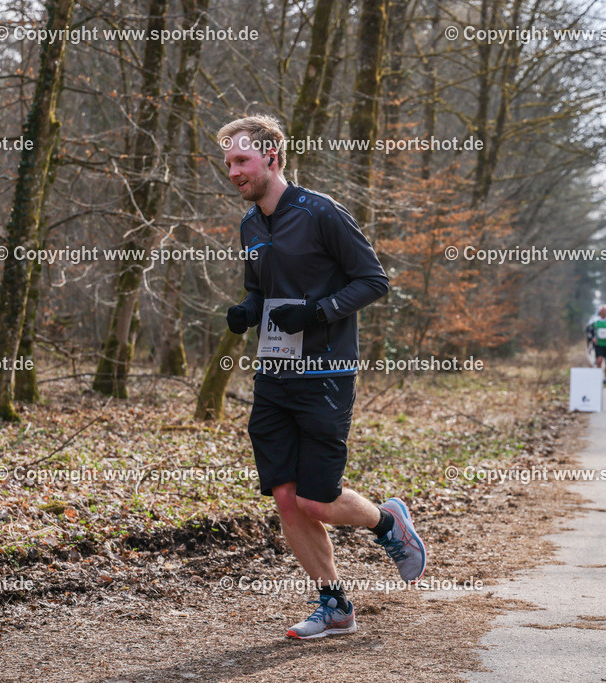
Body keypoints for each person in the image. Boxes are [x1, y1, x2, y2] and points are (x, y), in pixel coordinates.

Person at [219, 114, 426, 639]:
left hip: (325, 373)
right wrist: (247, 310)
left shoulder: (321, 213)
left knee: (315, 498)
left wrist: (315, 312)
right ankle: (334, 605)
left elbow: (373, 280)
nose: (233, 172)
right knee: (286, 498)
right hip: (273, 374)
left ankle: (386, 522)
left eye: (241, 160)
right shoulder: (250, 225)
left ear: (272, 156)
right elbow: (259, 290)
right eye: (228, 163)